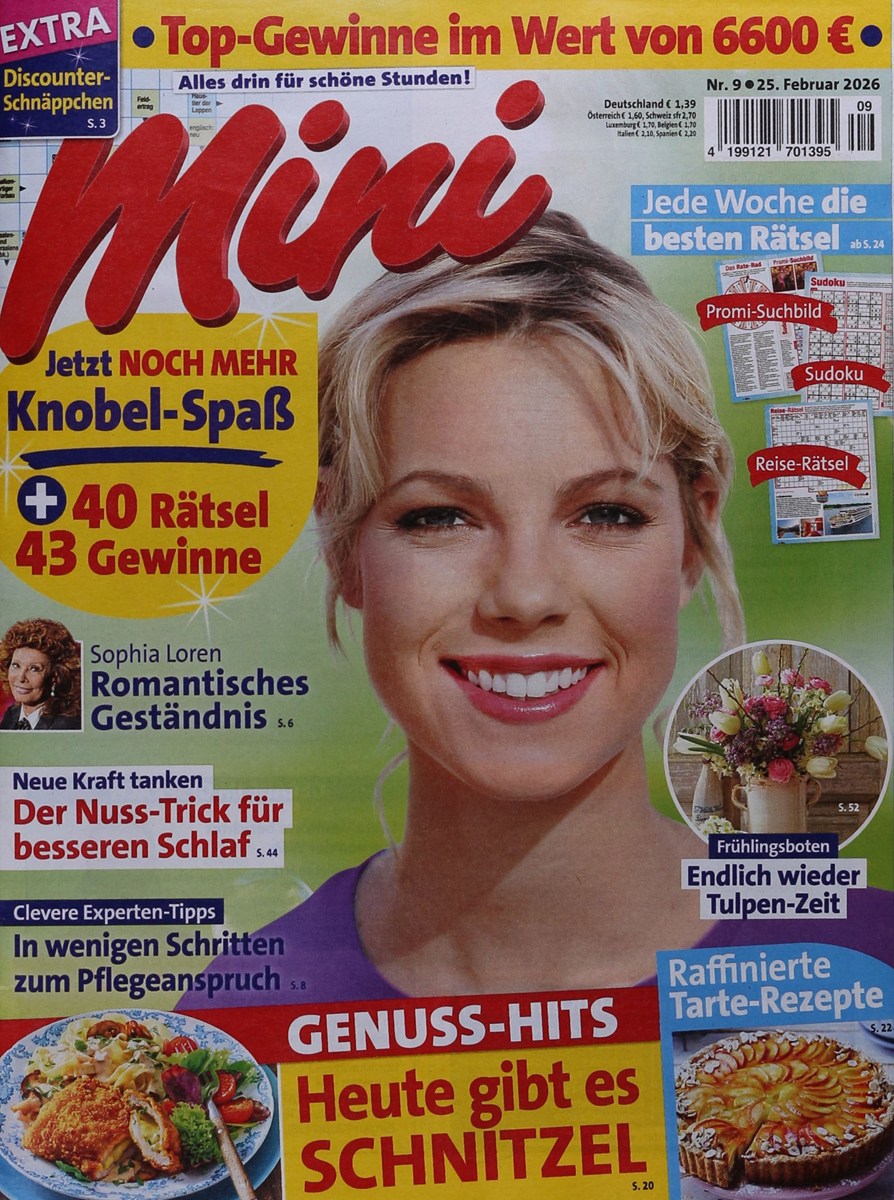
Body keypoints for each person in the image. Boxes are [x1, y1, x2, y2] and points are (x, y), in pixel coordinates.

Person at [179, 212, 890, 1009]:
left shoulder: (871, 962)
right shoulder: (234, 1029)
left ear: (693, 538)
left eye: (607, 514)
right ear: (344, 547)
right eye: (439, 516)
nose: (525, 595)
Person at [0, 618, 81, 730]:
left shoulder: (67, 725)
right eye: (16, 665)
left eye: (34, 669)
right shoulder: (11, 715)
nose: (21, 677)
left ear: (55, 677)